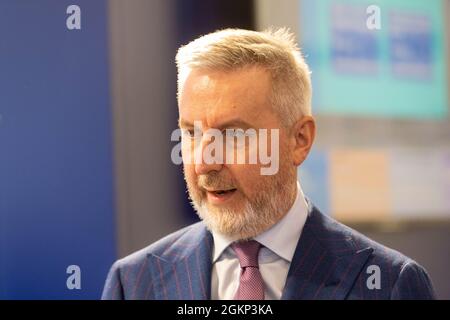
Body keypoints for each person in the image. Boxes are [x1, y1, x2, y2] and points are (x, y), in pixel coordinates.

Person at [102, 28, 436, 300]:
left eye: (233, 135)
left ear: (299, 140)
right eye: (191, 133)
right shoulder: (133, 283)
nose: (204, 162)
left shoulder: (389, 284)